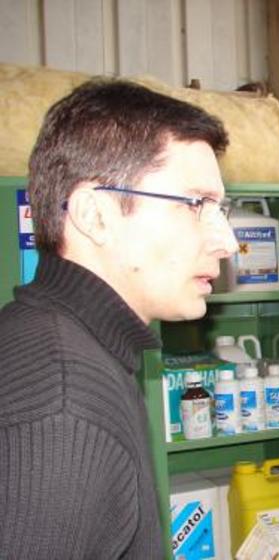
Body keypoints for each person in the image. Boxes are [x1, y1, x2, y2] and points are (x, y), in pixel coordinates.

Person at [0, 79, 238, 558]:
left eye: (221, 208)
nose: (228, 242)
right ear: (96, 214)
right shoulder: (63, 410)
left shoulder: (61, 342)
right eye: (197, 205)